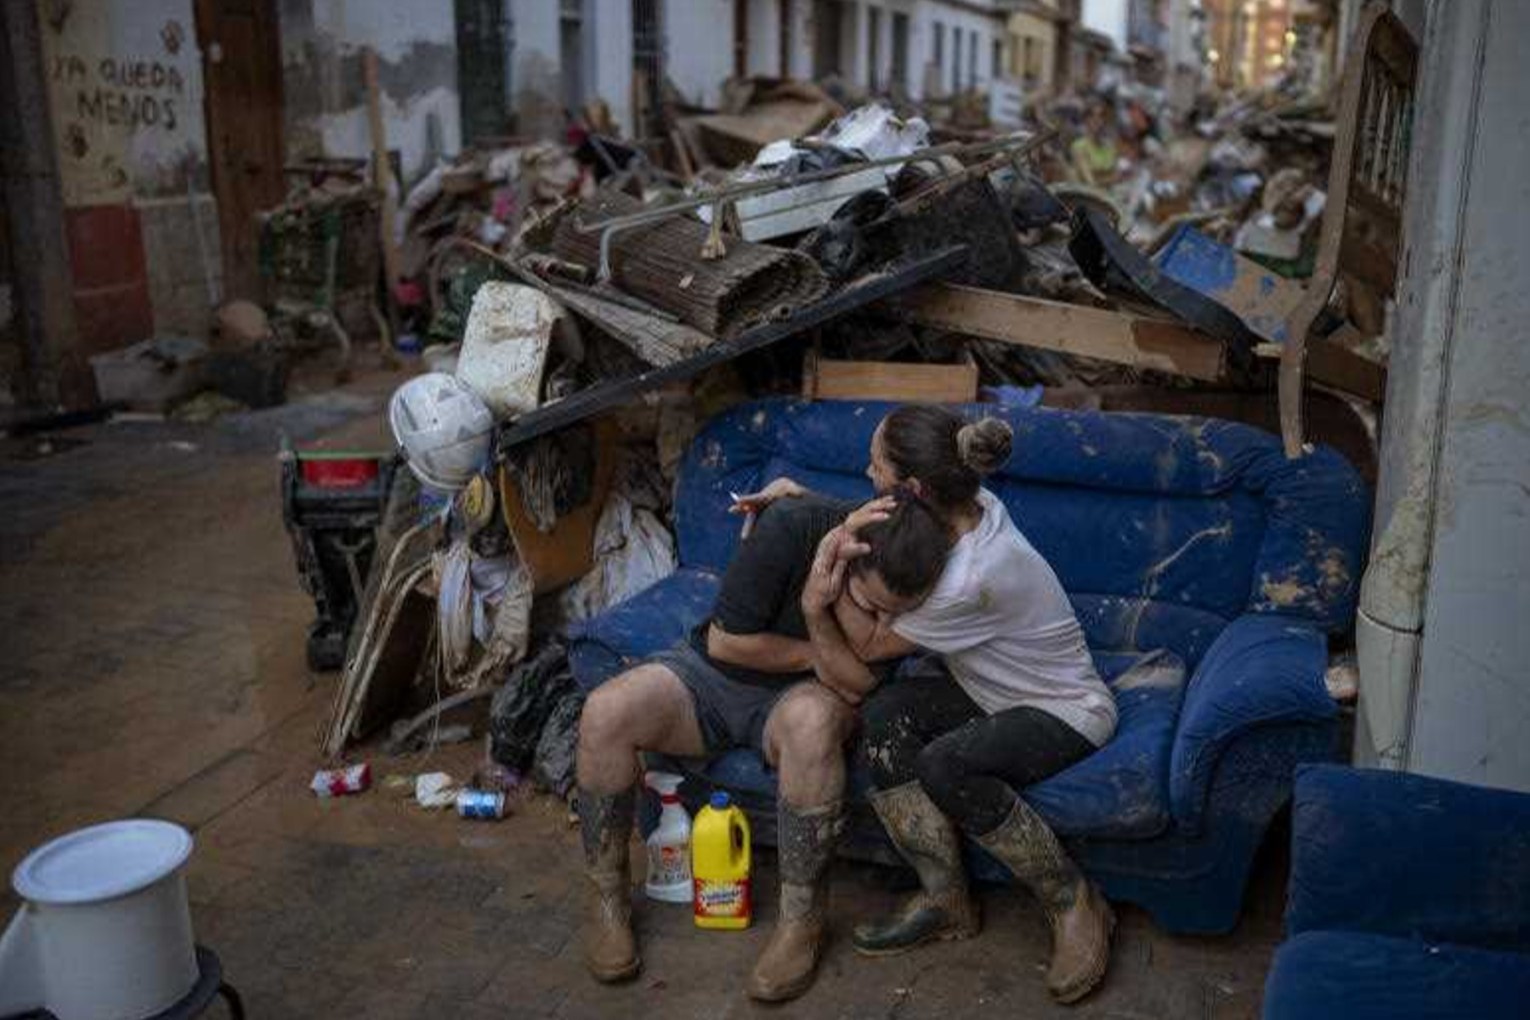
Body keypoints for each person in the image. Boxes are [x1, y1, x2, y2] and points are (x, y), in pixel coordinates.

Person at [736, 404, 1118, 1004]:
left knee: (945, 764)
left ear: (911, 488)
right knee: (886, 718)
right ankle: (946, 901)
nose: (865, 474)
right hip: (989, 691)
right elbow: (885, 526)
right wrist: (800, 500)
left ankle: (1072, 898)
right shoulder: (968, 505)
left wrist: (825, 573)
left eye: (874, 466)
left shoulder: (970, 576)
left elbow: (865, 648)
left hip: (1062, 708)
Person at [575, 491, 951, 1002]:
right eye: (869, 607)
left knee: (813, 722)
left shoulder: (920, 575)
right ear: (842, 554)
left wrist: (818, 615)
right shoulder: (793, 526)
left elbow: (857, 685)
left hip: (801, 699)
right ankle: (607, 900)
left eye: (896, 618)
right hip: (714, 675)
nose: (881, 629)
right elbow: (726, 644)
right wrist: (823, 654)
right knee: (605, 712)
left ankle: (802, 923)